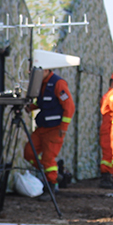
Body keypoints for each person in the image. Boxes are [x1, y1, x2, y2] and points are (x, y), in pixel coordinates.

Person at [23, 67, 75, 201]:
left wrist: (64, 127)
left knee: (48, 158)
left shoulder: (58, 83)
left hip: (55, 129)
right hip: (42, 127)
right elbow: (43, 102)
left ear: (46, 70)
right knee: (29, 153)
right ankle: (54, 174)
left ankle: (50, 187)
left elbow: (69, 106)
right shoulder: (41, 84)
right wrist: (30, 107)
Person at [98, 72, 113, 188]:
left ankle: (112, 175)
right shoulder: (109, 96)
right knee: (108, 154)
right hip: (108, 129)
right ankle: (105, 177)